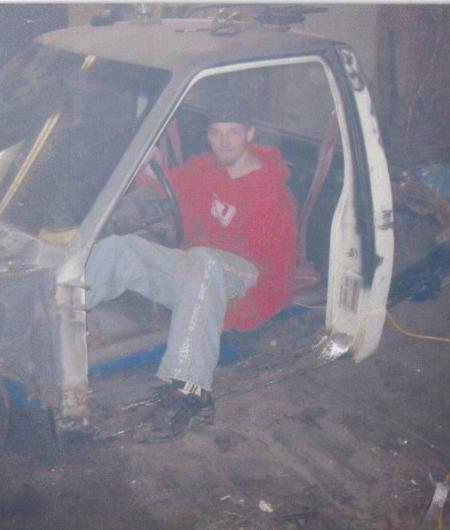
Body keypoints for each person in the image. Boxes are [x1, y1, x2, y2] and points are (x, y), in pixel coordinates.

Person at [86, 99, 298, 442]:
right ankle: (54, 315)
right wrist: (149, 166)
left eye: (233, 133)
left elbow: (275, 275)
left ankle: (190, 391)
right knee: (121, 248)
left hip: (247, 281)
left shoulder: (272, 192)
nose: (224, 142)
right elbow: (162, 189)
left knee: (204, 260)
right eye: (216, 133)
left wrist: (234, 312)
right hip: (199, 273)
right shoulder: (204, 169)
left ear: (250, 134)